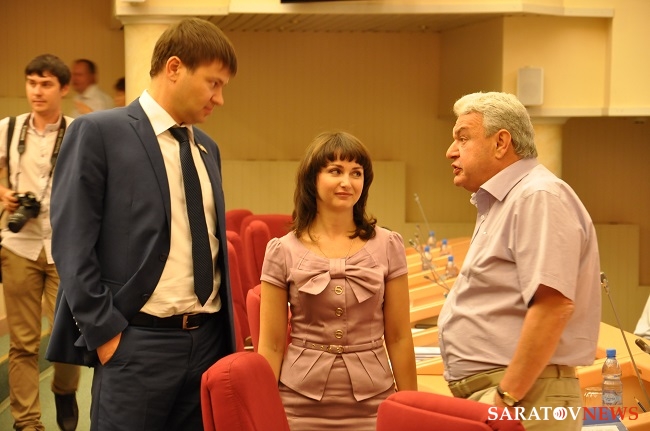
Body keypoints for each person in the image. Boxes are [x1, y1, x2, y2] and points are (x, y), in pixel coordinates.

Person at [45, 18, 239, 431]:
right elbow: (71, 244)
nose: (219, 99)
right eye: (213, 83)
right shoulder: (100, 133)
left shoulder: (207, 148)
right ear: (174, 68)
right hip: (136, 343)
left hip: (207, 342)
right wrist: (105, 333)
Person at [438, 92, 601, 430]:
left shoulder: (537, 196)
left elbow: (553, 305)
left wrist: (506, 398)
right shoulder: (504, 201)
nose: (451, 151)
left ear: (501, 143)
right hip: (511, 394)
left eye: (463, 138)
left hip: (526, 397)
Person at [258, 131, 418, 430]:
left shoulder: (388, 245)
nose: (347, 182)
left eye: (356, 173)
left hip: (374, 403)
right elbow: (272, 344)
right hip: (297, 404)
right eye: (335, 171)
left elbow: (398, 336)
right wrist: (265, 412)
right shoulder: (282, 250)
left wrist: (411, 409)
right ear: (312, 179)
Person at [0, 54, 81, 431]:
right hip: (19, 246)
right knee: (22, 343)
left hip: (65, 248)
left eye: (46, 84)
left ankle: (64, 390)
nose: (37, 91)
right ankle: (28, 423)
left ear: (63, 89)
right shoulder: (8, 129)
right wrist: (3, 194)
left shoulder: (78, 132)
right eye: (32, 83)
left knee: (68, 336)